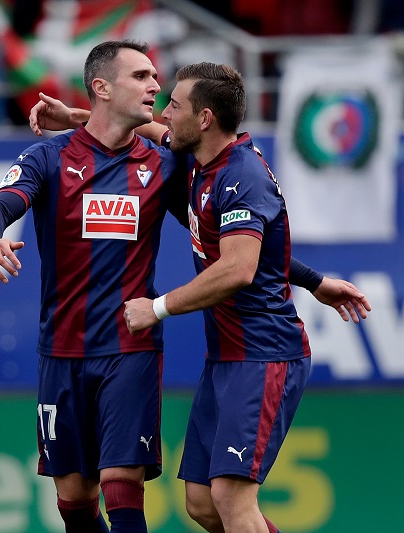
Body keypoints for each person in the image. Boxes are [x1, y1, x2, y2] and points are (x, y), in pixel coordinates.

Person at [0, 41, 370, 533]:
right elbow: (0, 206)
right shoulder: (54, 157)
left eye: (165, 90)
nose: (157, 91)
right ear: (102, 87)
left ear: (201, 117)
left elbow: (240, 256)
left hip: (142, 347)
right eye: (142, 77)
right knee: (98, 501)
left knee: (134, 485)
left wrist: (161, 307)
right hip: (65, 349)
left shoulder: (175, 168)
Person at [120, 62, 370, 533]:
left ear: (205, 118)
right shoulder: (204, 158)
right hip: (227, 357)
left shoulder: (242, 176)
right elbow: (263, 250)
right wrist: (77, 118)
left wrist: (156, 308)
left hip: (263, 356)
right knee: (201, 502)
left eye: (174, 106)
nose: (164, 113)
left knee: (231, 498)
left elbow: (238, 268)